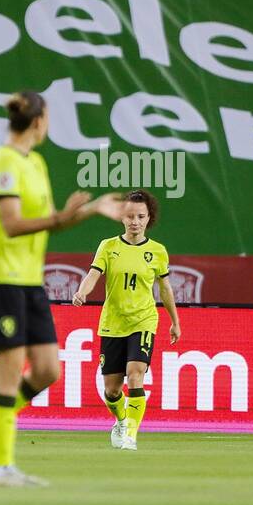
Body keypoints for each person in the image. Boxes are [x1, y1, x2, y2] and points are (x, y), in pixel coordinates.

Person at [0, 90, 122, 487]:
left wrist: (88, 211)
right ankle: (2, 467)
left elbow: (50, 221)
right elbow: (11, 224)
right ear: (39, 122)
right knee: (9, 372)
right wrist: (62, 216)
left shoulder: (37, 163)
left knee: (47, 370)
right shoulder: (2, 161)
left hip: (28, 280)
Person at [73, 190, 181, 451]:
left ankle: (130, 433)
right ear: (122, 217)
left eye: (141, 216)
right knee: (112, 390)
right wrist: (82, 291)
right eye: (130, 216)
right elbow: (93, 274)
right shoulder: (108, 246)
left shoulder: (157, 251)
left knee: (136, 374)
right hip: (113, 323)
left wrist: (174, 321)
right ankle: (121, 420)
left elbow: (165, 289)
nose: (135, 221)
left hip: (143, 320)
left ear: (148, 218)